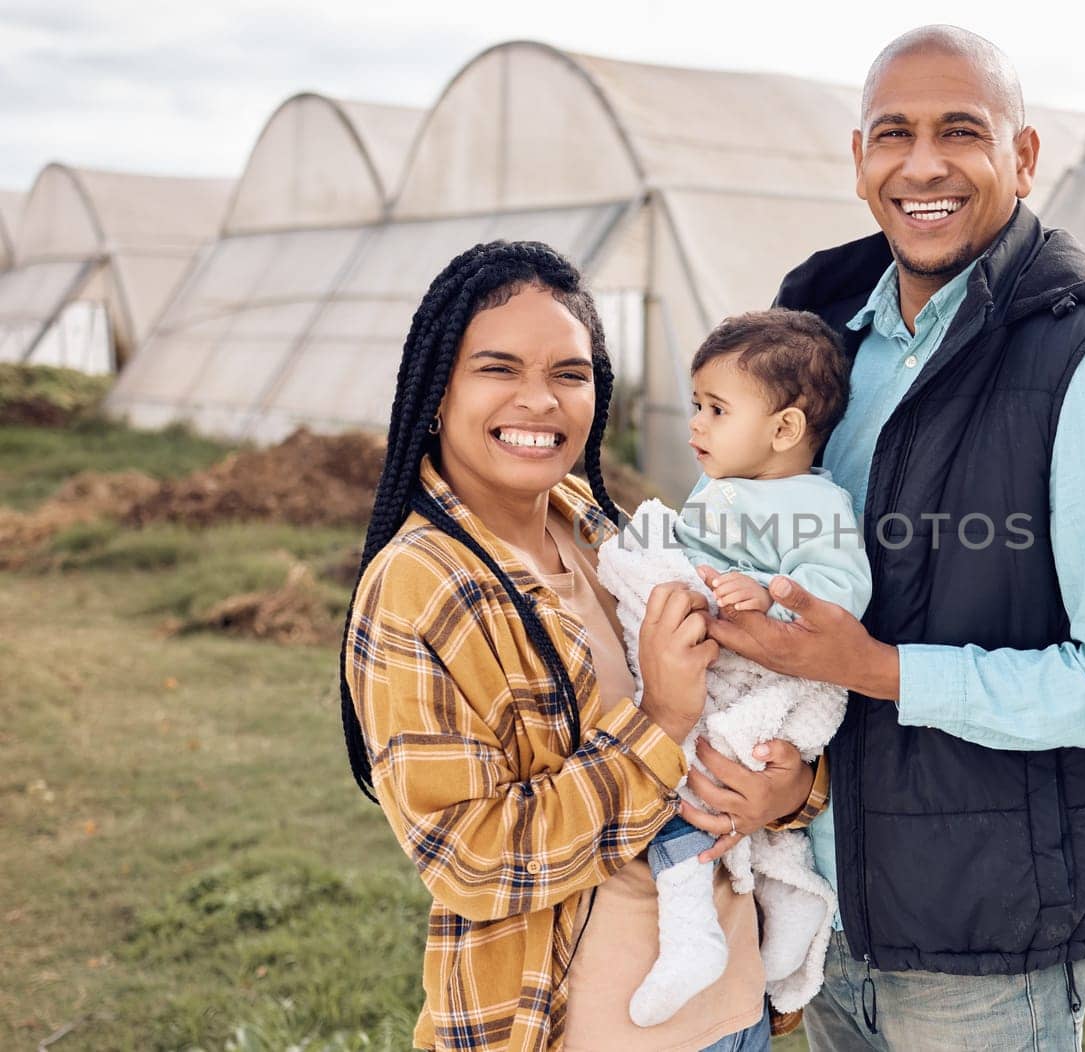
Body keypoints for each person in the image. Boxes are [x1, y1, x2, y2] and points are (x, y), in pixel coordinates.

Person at [705, 26, 1085, 1051]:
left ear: (1022, 158)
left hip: (982, 951)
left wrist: (881, 667)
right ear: (858, 160)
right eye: (894, 133)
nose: (921, 163)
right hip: (821, 907)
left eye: (960, 132)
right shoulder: (816, 330)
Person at [337, 241, 823, 1051]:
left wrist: (789, 790)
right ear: (437, 389)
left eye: (570, 373)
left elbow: (744, 704)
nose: (541, 402)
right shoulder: (420, 584)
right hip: (598, 1030)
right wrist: (659, 721)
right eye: (499, 369)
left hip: (739, 1013)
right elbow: (472, 858)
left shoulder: (602, 530)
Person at [626, 308, 872, 1027]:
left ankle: (692, 928)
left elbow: (842, 594)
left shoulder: (816, 507)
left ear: (785, 430)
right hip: (705, 657)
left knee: (694, 785)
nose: (695, 424)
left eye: (715, 409)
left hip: (765, 682)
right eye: (697, 405)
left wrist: (769, 594)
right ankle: (749, 928)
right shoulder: (723, 484)